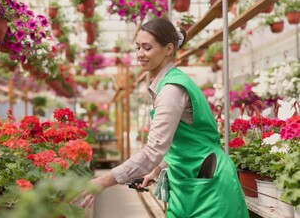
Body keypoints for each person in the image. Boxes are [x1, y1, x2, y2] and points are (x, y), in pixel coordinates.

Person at [76, 18, 249, 217]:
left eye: (147, 48)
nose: (140, 54)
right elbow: (184, 141)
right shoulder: (168, 84)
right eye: (138, 47)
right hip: (191, 183)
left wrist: (102, 181)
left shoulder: (172, 90)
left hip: (210, 188)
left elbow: (153, 150)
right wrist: (158, 168)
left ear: (168, 49)